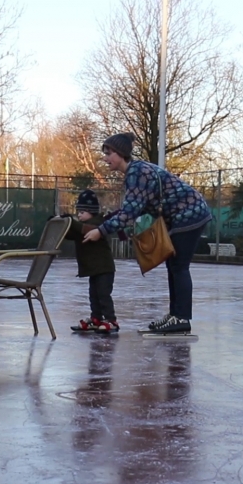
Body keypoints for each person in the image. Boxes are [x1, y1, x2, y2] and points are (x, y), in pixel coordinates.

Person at [82, 132, 212, 334]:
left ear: (121, 153)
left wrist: (101, 230)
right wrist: (112, 226)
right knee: (173, 264)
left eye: (109, 153)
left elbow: (130, 212)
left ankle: (181, 318)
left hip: (189, 215)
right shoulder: (136, 171)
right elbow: (135, 208)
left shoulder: (137, 172)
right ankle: (175, 315)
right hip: (184, 215)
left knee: (178, 266)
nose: (106, 158)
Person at [64, 189, 119, 333]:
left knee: (103, 295)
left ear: (92, 211)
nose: (79, 215)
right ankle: (96, 318)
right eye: (78, 212)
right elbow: (72, 232)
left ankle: (111, 319)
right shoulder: (81, 226)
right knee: (93, 295)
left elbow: (83, 229)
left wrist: (70, 221)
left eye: (82, 212)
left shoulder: (98, 224)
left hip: (104, 268)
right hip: (94, 269)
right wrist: (61, 223)